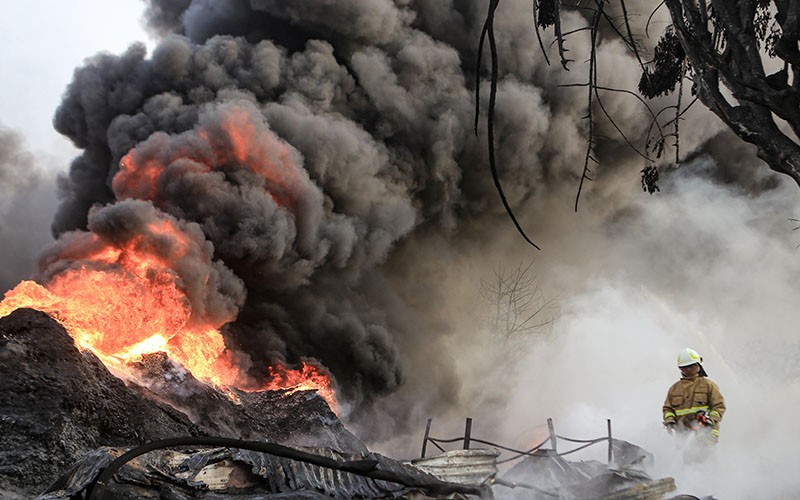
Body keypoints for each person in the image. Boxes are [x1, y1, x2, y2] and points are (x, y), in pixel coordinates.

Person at [662, 348, 726, 444]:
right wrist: (670, 421)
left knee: (706, 459)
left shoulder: (708, 385)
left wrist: (710, 420)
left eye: (691, 366)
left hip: (706, 436)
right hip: (683, 436)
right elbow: (668, 409)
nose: (688, 370)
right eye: (684, 367)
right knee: (685, 457)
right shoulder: (674, 389)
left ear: (698, 365)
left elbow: (719, 406)